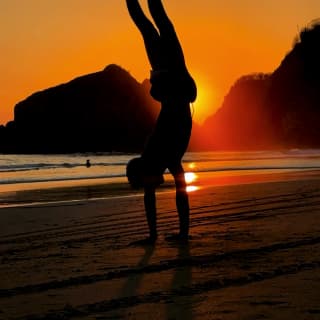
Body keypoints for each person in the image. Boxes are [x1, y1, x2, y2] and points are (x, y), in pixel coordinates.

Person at [126, 0, 197, 244]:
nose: (152, 185)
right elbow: (177, 188)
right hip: (170, 74)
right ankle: (182, 232)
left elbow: (178, 188)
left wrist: (158, 235)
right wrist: (175, 234)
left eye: (146, 182)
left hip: (171, 74)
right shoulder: (155, 157)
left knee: (150, 22)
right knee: (149, 22)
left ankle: (182, 232)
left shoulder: (156, 155)